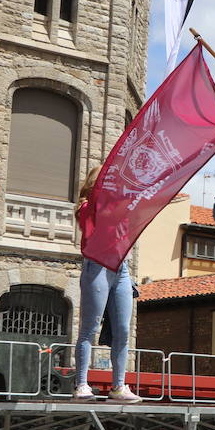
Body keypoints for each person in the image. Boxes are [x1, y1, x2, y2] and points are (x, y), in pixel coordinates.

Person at [73, 167, 140, 403]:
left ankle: (119, 386)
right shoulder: (86, 207)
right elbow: (93, 225)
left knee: (123, 329)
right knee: (89, 328)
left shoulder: (119, 206)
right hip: (97, 266)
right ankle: (81, 384)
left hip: (121, 268)